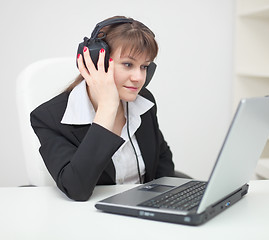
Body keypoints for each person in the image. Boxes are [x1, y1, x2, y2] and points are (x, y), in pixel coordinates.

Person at [30, 16, 175, 201]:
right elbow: (76, 189)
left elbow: (162, 160)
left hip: (145, 213)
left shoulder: (143, 102)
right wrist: (107, 108)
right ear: (97, 61)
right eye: (128, 64)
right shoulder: (49, 118)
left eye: (144, 66)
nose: (139, 78)